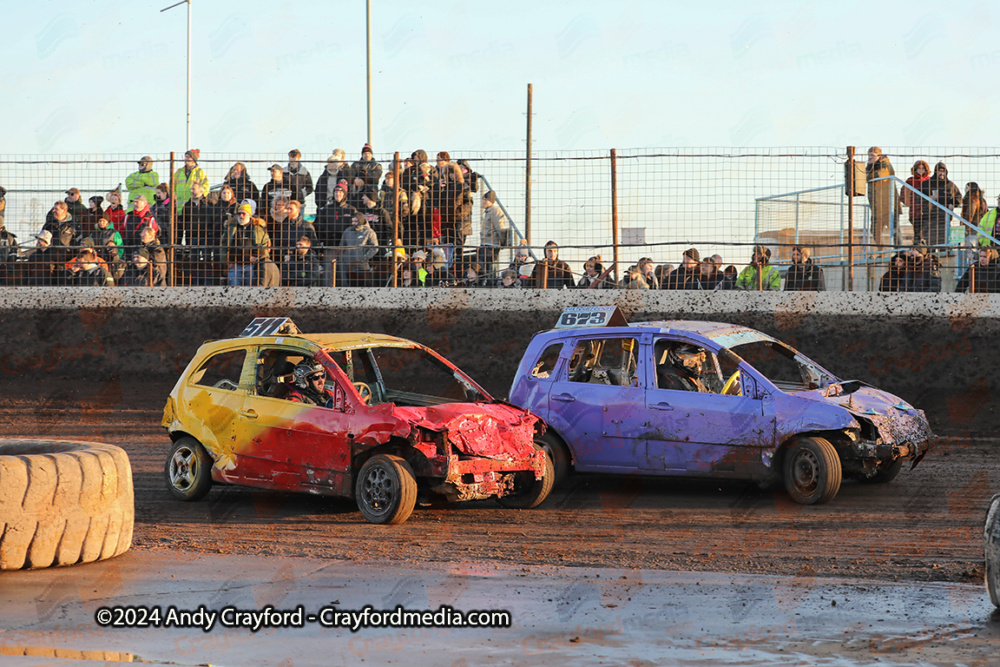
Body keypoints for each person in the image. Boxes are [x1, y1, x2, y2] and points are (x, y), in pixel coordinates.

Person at [918, 162, 962, 251]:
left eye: (943, 171)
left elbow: (959, 197)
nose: (941, 173)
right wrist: (929, 198)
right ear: (935, 172)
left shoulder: (950, 185)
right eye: (939, 171)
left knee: (944, 244)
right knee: (930, 245)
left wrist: (953, 203)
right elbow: (917, 198)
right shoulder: (927, 184)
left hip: (944, 219)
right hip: (930, 219)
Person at [224, 203, 271, 286]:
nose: (241, 216)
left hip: (252, 265)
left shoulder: (259, 229)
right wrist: (226, 262)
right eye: (239, 213)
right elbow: (223, 245)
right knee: (234, 290)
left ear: (249, 215)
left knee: (251, 288)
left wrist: (258, 259)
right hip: (235, 265)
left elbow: (265, 246)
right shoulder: (231, 227)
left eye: (243, 213)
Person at [865, 147, 901, 247]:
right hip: (877, 207)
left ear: (879, 156)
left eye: (872, 155)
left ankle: (899, 251)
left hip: (889, 206)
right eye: (869, 155)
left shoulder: (885, 164)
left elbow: (880, 174)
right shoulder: (870, 166)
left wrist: (867, 175)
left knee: (894, 230)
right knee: (875, 231)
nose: (870, 157)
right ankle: (881, 251)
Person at [901, 160, 930, 243]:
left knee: (927, 234)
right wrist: (910, 203)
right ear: (915, 169)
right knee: (917, 234)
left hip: (928, 212)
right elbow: (903, 195)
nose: (921, 170)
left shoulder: (930, 180)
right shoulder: (910, 181)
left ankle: (927, 252)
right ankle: (917, 252)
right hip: (915, 212)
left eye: (923, 168)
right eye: (919, 168)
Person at [961, 183, 988, 265]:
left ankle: (972, 272)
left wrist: (966, 228)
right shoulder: (982, 200)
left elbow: (970, 215)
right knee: (977, 252)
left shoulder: (973, 200)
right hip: (980, 230)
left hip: (971, 230)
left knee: (970, 254)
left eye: (967, 187)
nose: (965, 189)